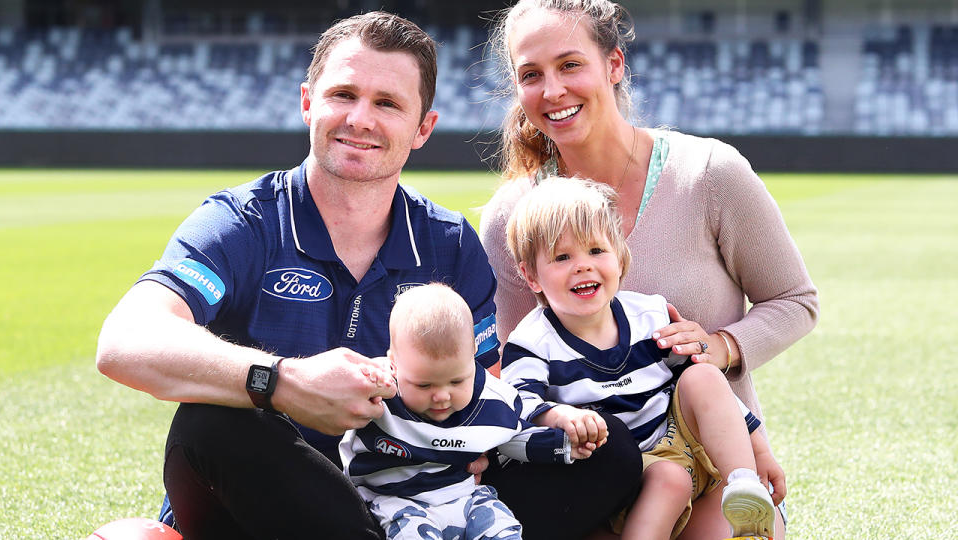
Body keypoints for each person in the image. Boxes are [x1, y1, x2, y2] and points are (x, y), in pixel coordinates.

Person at [94, 12, 503, 539]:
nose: (360, 118)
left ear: (423, 127)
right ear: (308, 102)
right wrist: (283, 382)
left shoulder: (447, 244)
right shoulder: (245, 221)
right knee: (214, 422)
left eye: (387, 103)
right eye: (343, 95)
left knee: (602, 459)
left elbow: (486, 385)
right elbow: (123, 341)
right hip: (249, 506)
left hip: (397, 506)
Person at [478, 1, 819, 538]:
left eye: (570, 65)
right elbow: (508, 366)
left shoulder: (709, 174)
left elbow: (796, 301)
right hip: (588, 480)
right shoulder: (510, 217)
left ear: (613, 65)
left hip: (704, 465)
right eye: (531, 75)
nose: (552, 91)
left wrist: (716, 346)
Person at [501, 176, 782, 539]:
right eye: (562, 256)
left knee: (702, 376)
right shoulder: (533, 342)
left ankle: (743, 482)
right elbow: (517, 403)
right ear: (531, 275)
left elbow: (715, 395)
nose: (583, 266)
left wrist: (760, 453)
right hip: (634, 476)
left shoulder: (650, 315)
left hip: (687, 444)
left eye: (596, 251)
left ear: (619, 257)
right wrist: (561, 415)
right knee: (670, 479)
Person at [340, 283, 603, 540]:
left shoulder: (492, 400)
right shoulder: (377, 394)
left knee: (502, 527)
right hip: (396, 500)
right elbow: (339, 416)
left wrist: (563, 446)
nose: (442, 396)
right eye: (423, 384)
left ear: (472, 356)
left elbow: (512, 438)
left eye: (456, 381)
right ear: (393, 364)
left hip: (465, 495)